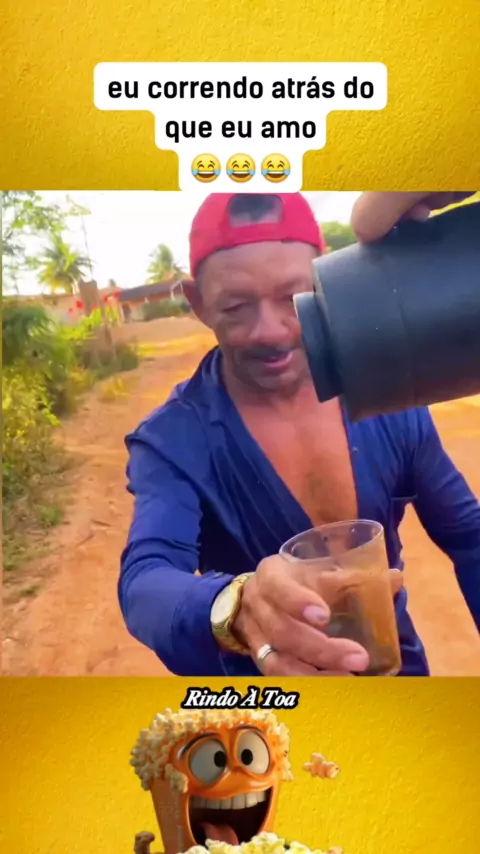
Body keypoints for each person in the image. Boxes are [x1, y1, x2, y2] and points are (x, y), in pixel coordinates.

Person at [119, 192, 480, 677]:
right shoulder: (174, 440)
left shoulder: (387, 395)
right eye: (236, 307)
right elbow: (145, 581)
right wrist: (237, 605)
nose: (270, 331)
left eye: (292, 296)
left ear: (325, 279)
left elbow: (468, 535)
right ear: (199, 303)